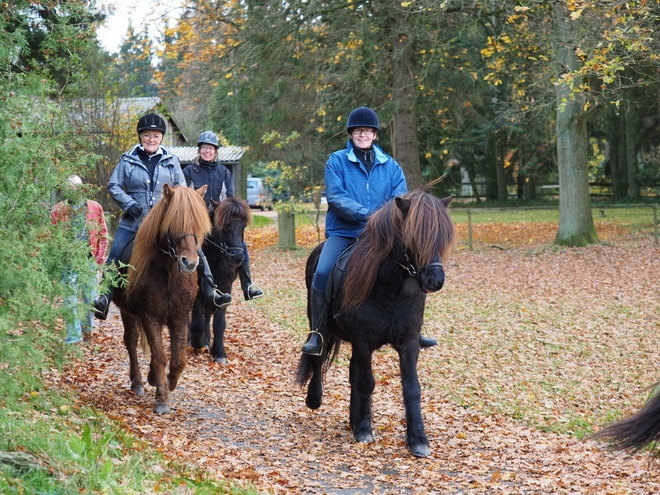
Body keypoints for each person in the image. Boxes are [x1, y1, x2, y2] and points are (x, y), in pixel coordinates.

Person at [301, 107, 437, 355]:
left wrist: (383, 222)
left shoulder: (391, 166)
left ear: (375, 135)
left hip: (382, 235)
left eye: (368, 131)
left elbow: (400, 199)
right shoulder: (337, 161)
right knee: (321, 272)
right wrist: (369, 215)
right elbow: (336, 197)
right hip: (344, 232)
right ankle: (318, 332)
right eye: (358, 131)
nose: (363, 135)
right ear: (351, 134)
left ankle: (414, 329)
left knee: (412, 268)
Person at [93, 114, 231, 319]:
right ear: (140, 137)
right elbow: (114, 185)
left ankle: (211, 291)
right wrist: (129, 203)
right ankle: (104, 297)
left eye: (155, 136)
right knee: (116, 251)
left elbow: (182, 190)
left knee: (195, 249)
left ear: (161, 138)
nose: (151, 139)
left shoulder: (171, 160)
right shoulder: (127, 159)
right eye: (147, 135)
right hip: (134, 221)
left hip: (165, 222)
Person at [183, 130, 263, 300]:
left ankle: (247, 285)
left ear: (215, 151)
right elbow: (187, 197)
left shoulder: (224, 172)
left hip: (218, 221)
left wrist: (223, 213)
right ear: (199, 150)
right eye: (204, 148)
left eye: (210, 148)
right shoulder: (190, 171)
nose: (207, 151)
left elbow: (229, 198)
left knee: (240, 244)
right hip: (198, 221)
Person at [51, 175, 108, 343]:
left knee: (90, 299)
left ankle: (88, 331)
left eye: (75, 187)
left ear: (82, 188)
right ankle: (73, 337)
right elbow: (53, 238)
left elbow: (103, 234)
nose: (72, 190)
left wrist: (98, 259)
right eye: (69, 187)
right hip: (68, 262)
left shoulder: (94, 207)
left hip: (89, 261)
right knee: (70, 300)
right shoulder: (58, 210)